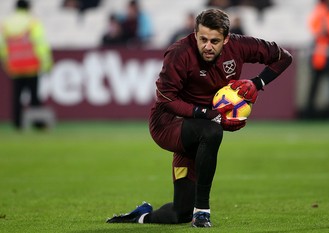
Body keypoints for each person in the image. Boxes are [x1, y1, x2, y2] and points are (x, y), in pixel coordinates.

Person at [106, 8, 292, 227]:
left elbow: (284, 57)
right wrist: (210, 115)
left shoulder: (240, 46)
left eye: (215, 41)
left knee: (179, 213)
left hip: (199, 128)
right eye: (202, 39)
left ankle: (141, 216)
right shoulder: (179, 53)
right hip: (168, 123)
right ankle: (202, 211)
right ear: (194, 34)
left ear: (227, 39)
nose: (207, 46)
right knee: (212, 131)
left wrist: (257, 83)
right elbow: (165, 98)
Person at [0, 0, 53, 130]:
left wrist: (6, 61)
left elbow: (3, 45)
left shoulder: (6, 23)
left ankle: (17, 123)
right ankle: (38, 123)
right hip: (31, 64)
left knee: (16, 96)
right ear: (28, 8)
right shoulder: (32, 22)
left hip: (15, 65)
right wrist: (47, 63)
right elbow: (40, 43)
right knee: (34, 95)